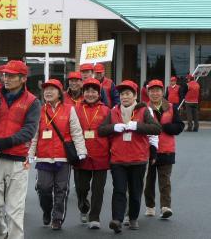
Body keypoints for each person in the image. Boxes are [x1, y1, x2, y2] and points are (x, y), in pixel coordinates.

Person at [0, 60, 41, 239]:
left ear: (23, 78)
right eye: (4, 74)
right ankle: (1, 234)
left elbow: (29, 131)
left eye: (11, 75)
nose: (6, 78)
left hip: (17, 161)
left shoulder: (32, 102)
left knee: (15, 211)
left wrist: (6, 142)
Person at [98, 80, 161, 233]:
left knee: (135, 191)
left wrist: (137, 126)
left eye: (127, 94)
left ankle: (132, 218)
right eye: (121, 94)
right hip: (118, 159)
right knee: (119, 190)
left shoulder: (143, 110)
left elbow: (157, 128)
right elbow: (101, 130)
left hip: (138, 159)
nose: (124, 97)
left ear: (134, 96)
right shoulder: (113, 111)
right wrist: (114, 127)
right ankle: (117, 220)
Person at [28, 79, 87, 230]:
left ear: (60, 93)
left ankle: (57, 218)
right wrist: (30, 153)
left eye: (52, 89)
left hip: (63, 157)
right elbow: (34, 135)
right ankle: (47, 210)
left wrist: (81, 151)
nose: (47, 92)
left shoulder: (69, 109)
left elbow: (76, 132)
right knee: (43, 188)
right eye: (45, 90)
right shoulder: (39, 111)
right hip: (43, 156)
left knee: (61, 189)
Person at [144, 80, 184, 219]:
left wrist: (167, 127)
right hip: (148, 150)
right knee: (149, 180)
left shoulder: (172, 107)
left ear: (162, 92)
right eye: (152, 91)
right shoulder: (143, 108)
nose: (155, 93)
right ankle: (150, 206)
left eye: (158, 90)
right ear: (148, 92)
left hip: (167, 149)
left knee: (165, 181)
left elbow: (180, 126)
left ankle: (165, 207)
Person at [74, 78, 110, 229]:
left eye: (94, 91)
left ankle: (95, 217)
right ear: (83, 93)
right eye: (87, 91)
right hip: (81, 155)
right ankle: (83, 206)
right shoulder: (75, 109)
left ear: (99, 93)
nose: (90, 94)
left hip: (101, 154)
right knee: (81, 187)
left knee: (98, 190)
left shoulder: (106, 110)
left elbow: (111, 132)